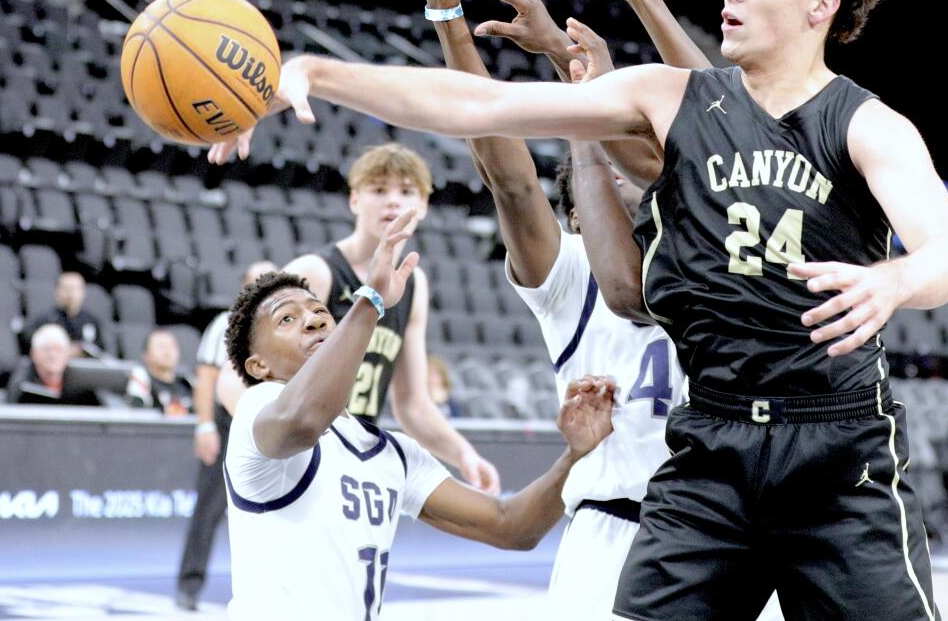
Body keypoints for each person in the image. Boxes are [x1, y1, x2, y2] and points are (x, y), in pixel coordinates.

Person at [212, 0, 948, 621]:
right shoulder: (672, 99)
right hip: (713, 439)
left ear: (821, 3)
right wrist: (315, 69)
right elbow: (483, 105)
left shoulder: (867, 123)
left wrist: (896, 281)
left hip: (836, 447)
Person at [378, 0, 690, 621]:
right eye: (599, 179)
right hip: (614, 536)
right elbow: (511, 180)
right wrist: (451, 20)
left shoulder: (705, 248)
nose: (620, 179)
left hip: (729, 532)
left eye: (629, 170)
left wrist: (567, 54)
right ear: (579, 211)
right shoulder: (573, 273)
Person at [222, 209, 614, 620]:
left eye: (320, 312)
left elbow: (511, 526)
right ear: (258, 366)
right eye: (287, 318)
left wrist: (575, 456)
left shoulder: (391, 453)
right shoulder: (256, 410)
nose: (313, 320)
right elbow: (303, 421)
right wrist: (370, 299)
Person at [283, 144, 500, 493]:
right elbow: (262, 376)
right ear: (355, 200)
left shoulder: (415, 284)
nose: (394, 201)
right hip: (301, 454)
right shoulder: (316, 273)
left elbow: (412, 404)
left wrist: (464, 455)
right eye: (379, 190)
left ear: (424, 206)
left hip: (355, 457)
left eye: (407, 191)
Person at [175, 259, 274, 611]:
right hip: (228, 421)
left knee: (274, 511)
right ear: (244, 286)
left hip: (271, 423)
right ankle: (189, 584)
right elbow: (207, 378)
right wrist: (204, 425)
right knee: (210, 506)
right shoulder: (225, 323)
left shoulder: (284, 325)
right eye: (258, 280)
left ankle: (269, 590)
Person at [28, 272, 105, 356]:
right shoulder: (46, 320)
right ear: (57, 292)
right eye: (66, 288)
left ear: (83, 292)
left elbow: (100, 350)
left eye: (74, 288)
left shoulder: (92, 321)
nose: (70, 293)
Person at [5, 323, 72, 403]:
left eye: (58, 350)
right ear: (33, 353)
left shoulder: (78, 385)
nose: (53, 355)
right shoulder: (21, 385)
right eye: (47, 350)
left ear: (67, 354)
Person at [136, 329, 193, 416]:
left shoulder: (189, 383)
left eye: (172, 346)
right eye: (161, 347)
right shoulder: (141, 382)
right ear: (146, 355)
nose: (167, 352)